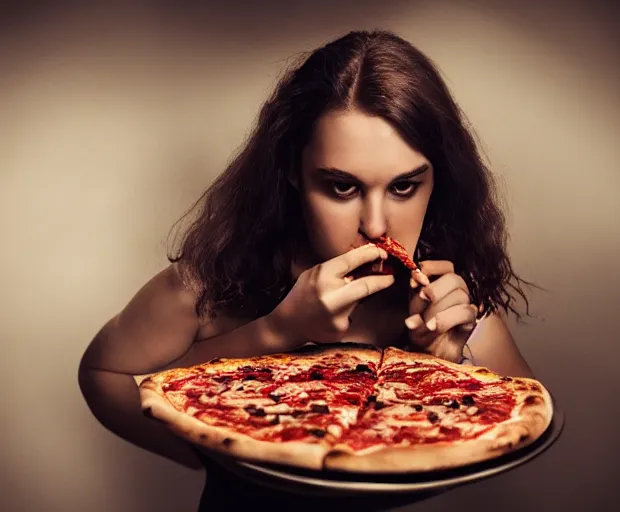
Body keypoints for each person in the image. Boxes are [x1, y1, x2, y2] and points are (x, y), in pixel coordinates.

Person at [77, 29, 537, 510]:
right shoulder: (217, 278)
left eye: (404, 187)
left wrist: (439, 370)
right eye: (341, 187)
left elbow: (515, 437)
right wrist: (275, 334)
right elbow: (105, 374)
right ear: (292, 170)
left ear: (437, 180)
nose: (376, 224)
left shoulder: (456, 309)